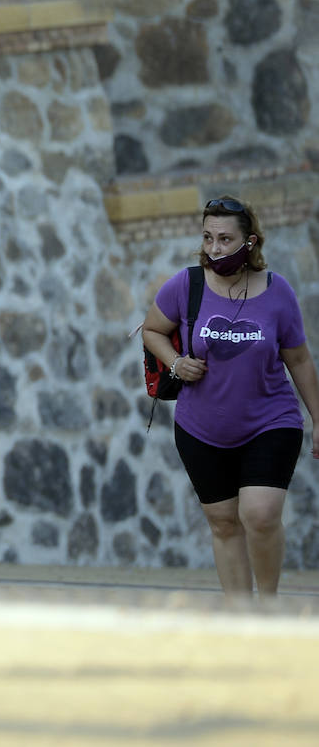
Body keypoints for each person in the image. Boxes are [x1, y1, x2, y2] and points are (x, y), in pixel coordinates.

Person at [140, 196, 318, 597]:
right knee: (222, 522)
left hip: (271, 421)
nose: (215, 248)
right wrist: (175, 363)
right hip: (201, 426)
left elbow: (301, 360)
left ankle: (268, 607)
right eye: (208, 238)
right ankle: (242, 620)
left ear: (250, 242)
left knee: (260, 515)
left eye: (224, 239)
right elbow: (151, 330)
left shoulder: (278, 292)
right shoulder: (187, 285)